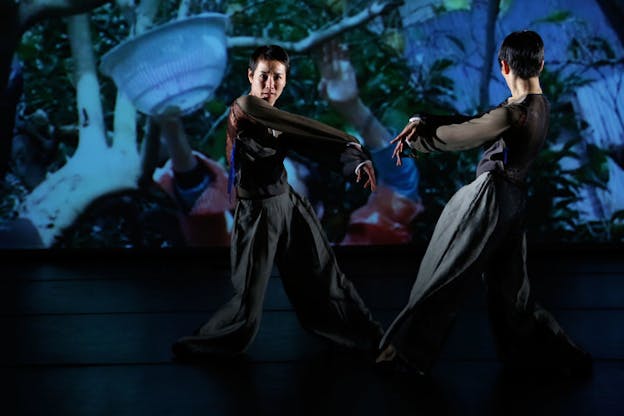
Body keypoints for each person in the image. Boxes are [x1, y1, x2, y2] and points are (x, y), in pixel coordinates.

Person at [376, 31, 592, 378]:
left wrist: (420, 141)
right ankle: (554, 354)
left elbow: (464, 135)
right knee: (512, 294)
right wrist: (424, 120)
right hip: (514, 201)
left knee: (443, 273)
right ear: (541, 63)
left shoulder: (515, 114)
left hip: (489, 198)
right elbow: (478, 119)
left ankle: (403, 356)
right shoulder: (539, 106)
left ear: (503, 66)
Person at [172, 44, 384, 359]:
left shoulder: (279, 124)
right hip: (257, 210)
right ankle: (206, 344)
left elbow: (310, 144)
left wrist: (352, 160)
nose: (270, 85)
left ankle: (372, 340)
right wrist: (347, 139)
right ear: (250, 76)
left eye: (278, 78)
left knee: (325, 275)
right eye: (264, 77)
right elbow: (303, 129)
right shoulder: (246, 107)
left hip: (288, 202)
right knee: (248, 297)